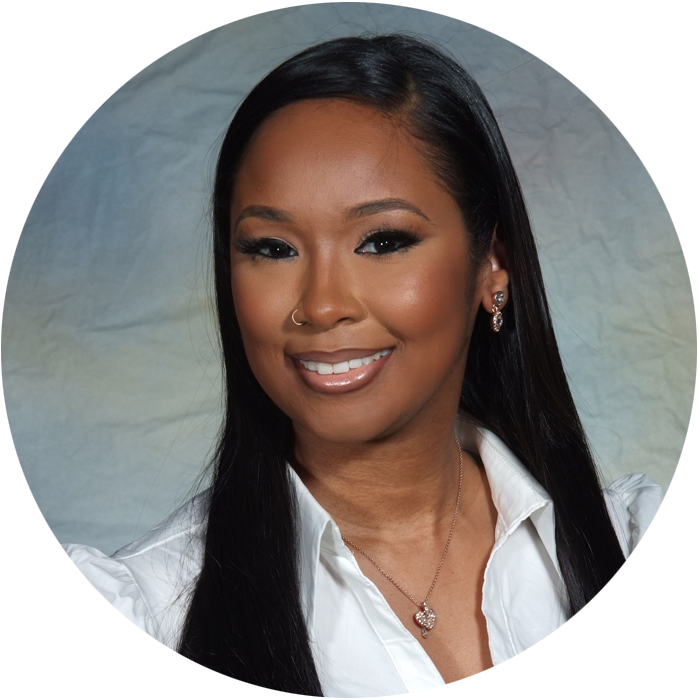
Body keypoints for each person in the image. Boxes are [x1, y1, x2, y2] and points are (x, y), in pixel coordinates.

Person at [64, 33, 670, 698]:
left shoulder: (648, 554)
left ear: (493, 264)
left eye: (382, 242)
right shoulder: (139, 625)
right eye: (272, 248)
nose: (322, 306)